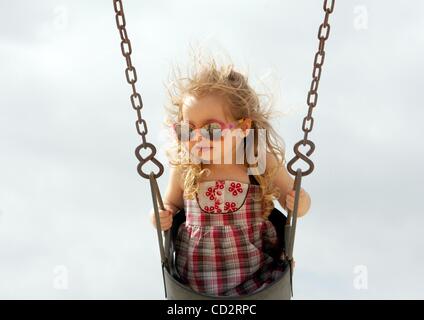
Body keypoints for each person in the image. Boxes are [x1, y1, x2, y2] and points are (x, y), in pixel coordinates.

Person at [150, 53, 311, 296]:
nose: (197, 138)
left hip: (256, 278)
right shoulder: (186, 166)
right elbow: (170, 203)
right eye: (187, 129)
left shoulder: (255, 158)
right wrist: (160, 215)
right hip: (195, 283)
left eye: (212, 129)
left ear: (243, 128)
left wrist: (297, 202)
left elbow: (298, 202)